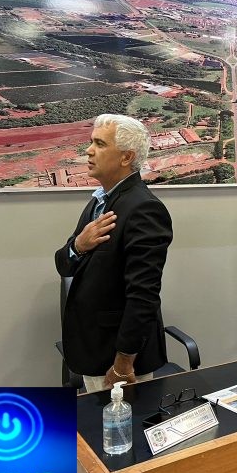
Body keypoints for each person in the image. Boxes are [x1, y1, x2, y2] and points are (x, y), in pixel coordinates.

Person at [55, 114, 172, 393]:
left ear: (126, 157)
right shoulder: (100, 200)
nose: (89, 150)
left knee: (121, 422)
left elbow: (143, 295)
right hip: (93, 347)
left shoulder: (143, 208)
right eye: (91, 142)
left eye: (100, 144)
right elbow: (64, 264)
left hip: (118, 360)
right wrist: (78, 245)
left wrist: (123, 363)